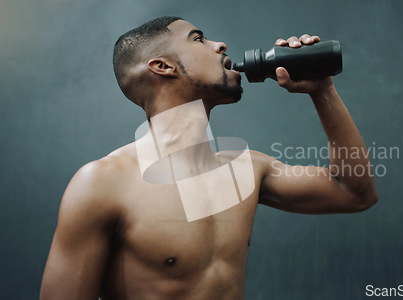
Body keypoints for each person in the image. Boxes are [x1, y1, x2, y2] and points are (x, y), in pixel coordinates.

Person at [40, 16, 378, 299]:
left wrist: (324, 92)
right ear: (162, 66)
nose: (220, 45)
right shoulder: (102, 183)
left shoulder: (247, 169)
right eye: (198, 39)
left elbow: (354, 193)